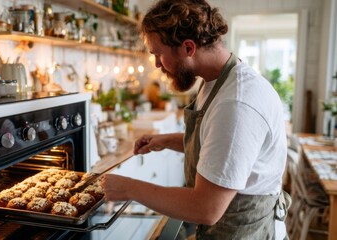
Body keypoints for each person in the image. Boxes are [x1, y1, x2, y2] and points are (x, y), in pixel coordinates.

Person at [100, 0, 291, 239]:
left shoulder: (236, 103)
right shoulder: (215, 81)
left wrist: (129, 187)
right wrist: (166, 140)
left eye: (158, 54)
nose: (157, 64)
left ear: (188, 48)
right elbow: (220, 148)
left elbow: (206, 208)